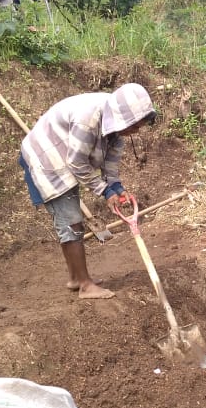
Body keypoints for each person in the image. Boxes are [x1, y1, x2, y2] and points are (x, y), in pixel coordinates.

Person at [19, 84, 156, 300]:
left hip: (66, 155)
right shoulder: (89, 119)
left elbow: (110, 163)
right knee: (71, 222)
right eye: (133, 126)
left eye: (138, 127)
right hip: (46, 157)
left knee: (70, 222)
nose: (135, 131)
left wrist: (117, 188)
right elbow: (76, 162)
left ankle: (75, 278)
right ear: (123, 118)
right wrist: (104, 192)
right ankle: (85, 285)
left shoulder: (117, 127)